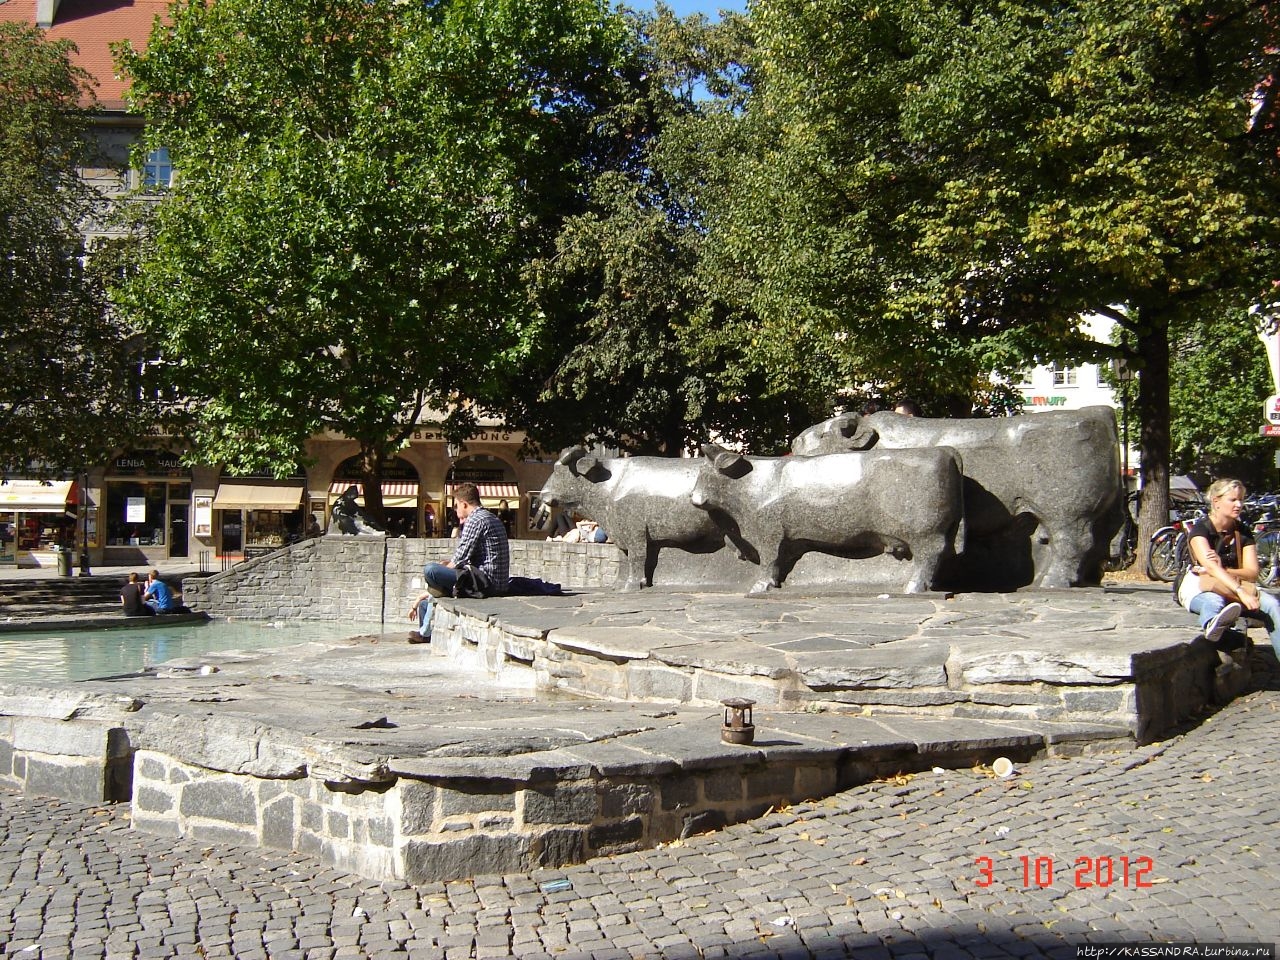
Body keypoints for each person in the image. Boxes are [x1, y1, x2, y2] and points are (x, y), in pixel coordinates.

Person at [1180, 478, 1280, 655]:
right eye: (1233, 500)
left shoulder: (1243, 532)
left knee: (1272, 605)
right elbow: (1210, 568)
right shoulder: (1201, 530)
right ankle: (1213, 626)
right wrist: (1239, 590)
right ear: (1216, 501)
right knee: (1213, 602)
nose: (1239, 504)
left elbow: (1252, 572)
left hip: (1233, 586)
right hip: (1200, 587)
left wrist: (1224, 569)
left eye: (1241, 499)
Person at [407, 482, 509, 643]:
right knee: (425, 604)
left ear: (464, 504)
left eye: (456, 505)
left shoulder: (475, 520)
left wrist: (444, 567)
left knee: (431, 570)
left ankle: (429, 619)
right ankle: (426, 631)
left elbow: (460, 557)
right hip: (494, 580)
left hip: (484, 582)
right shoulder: (490, 517)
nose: (456, 509)